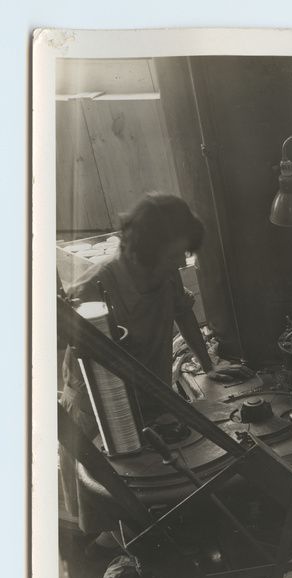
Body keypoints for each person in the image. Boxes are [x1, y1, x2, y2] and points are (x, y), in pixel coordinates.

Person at [59, 193, 214, 549]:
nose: (182, 260)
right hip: (99, 410)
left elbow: (184, 313)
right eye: (176, 253)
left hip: (151, 394)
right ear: (146, 250)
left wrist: (209, 367)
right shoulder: (94, 287)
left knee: (155, 492)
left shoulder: (166, 273)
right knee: (110, 504)